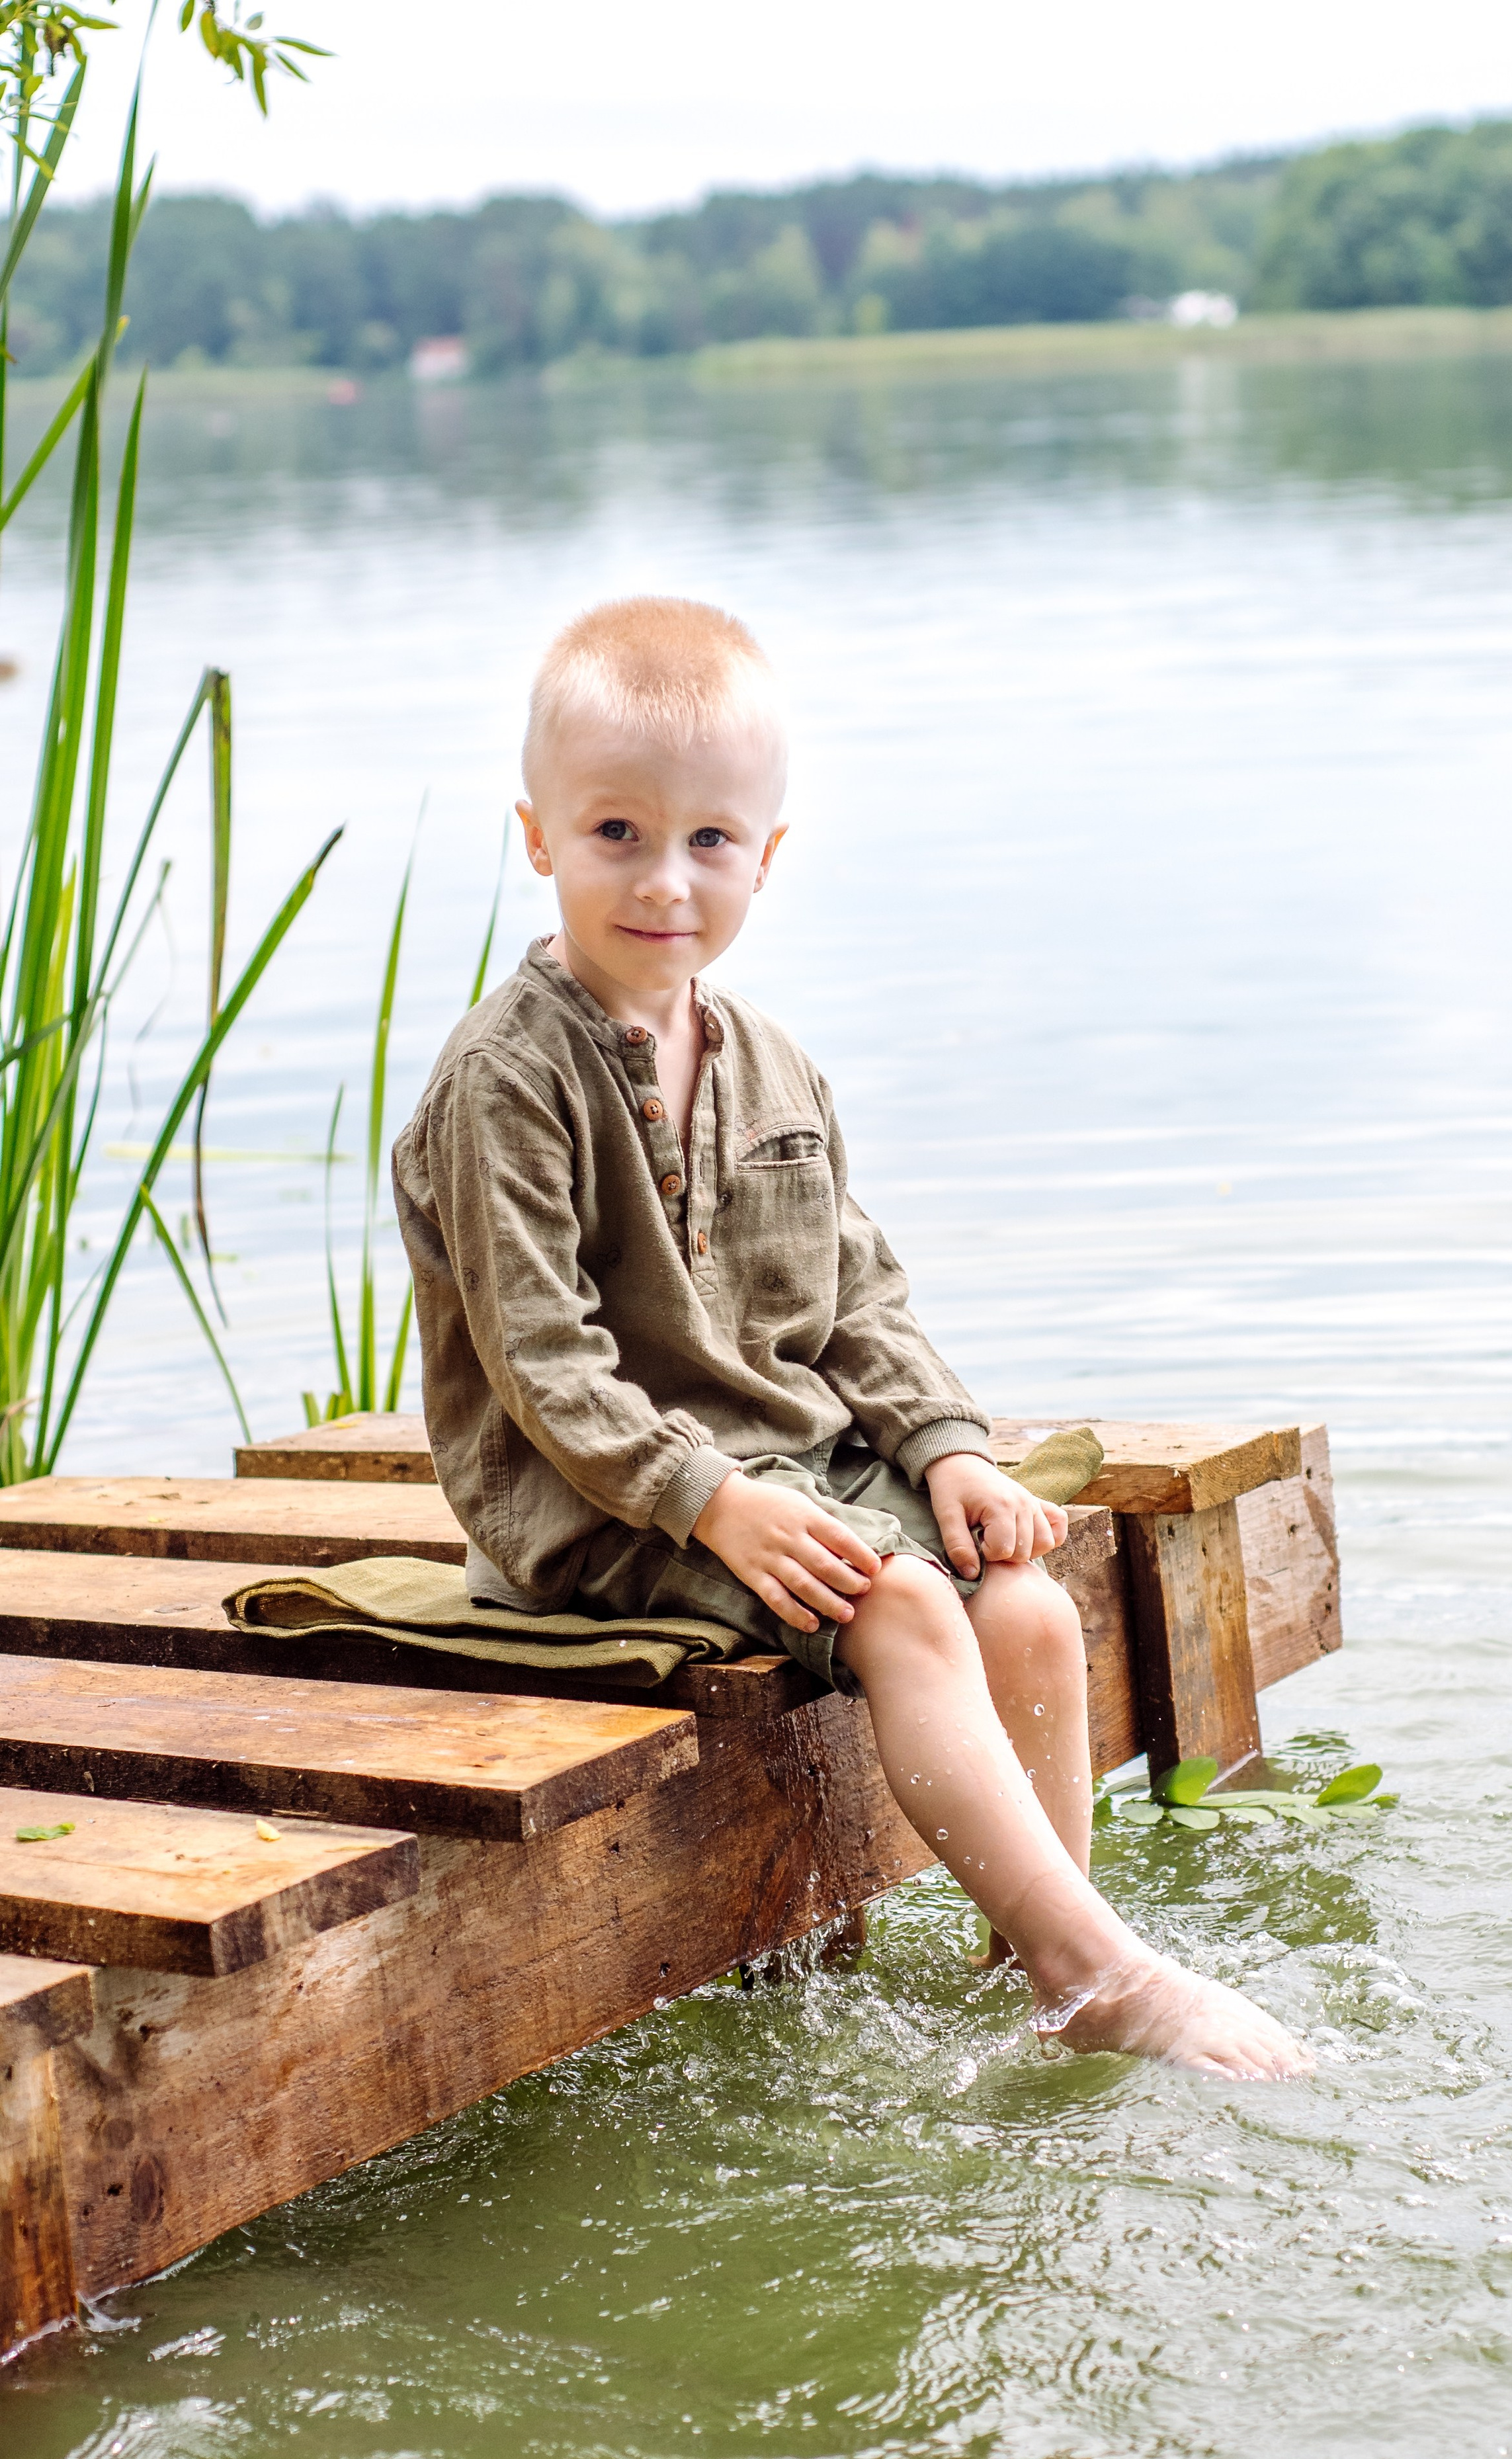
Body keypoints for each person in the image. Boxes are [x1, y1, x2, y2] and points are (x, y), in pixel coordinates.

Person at [394, 596, 1310, 2079]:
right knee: (895, 1603)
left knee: (1016, 1596)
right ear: (538, 835)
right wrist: (713, 1499)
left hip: (783, 1463)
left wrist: (944, 1448)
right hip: (596, 1501)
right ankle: (1102, 1979)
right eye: (616, 831)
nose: (663, 880)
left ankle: (1035, 1961)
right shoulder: (506, 1080)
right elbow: (542, 1364)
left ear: (767, 854)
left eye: (708, 841)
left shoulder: (769, 1059)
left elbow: (858, 1295)